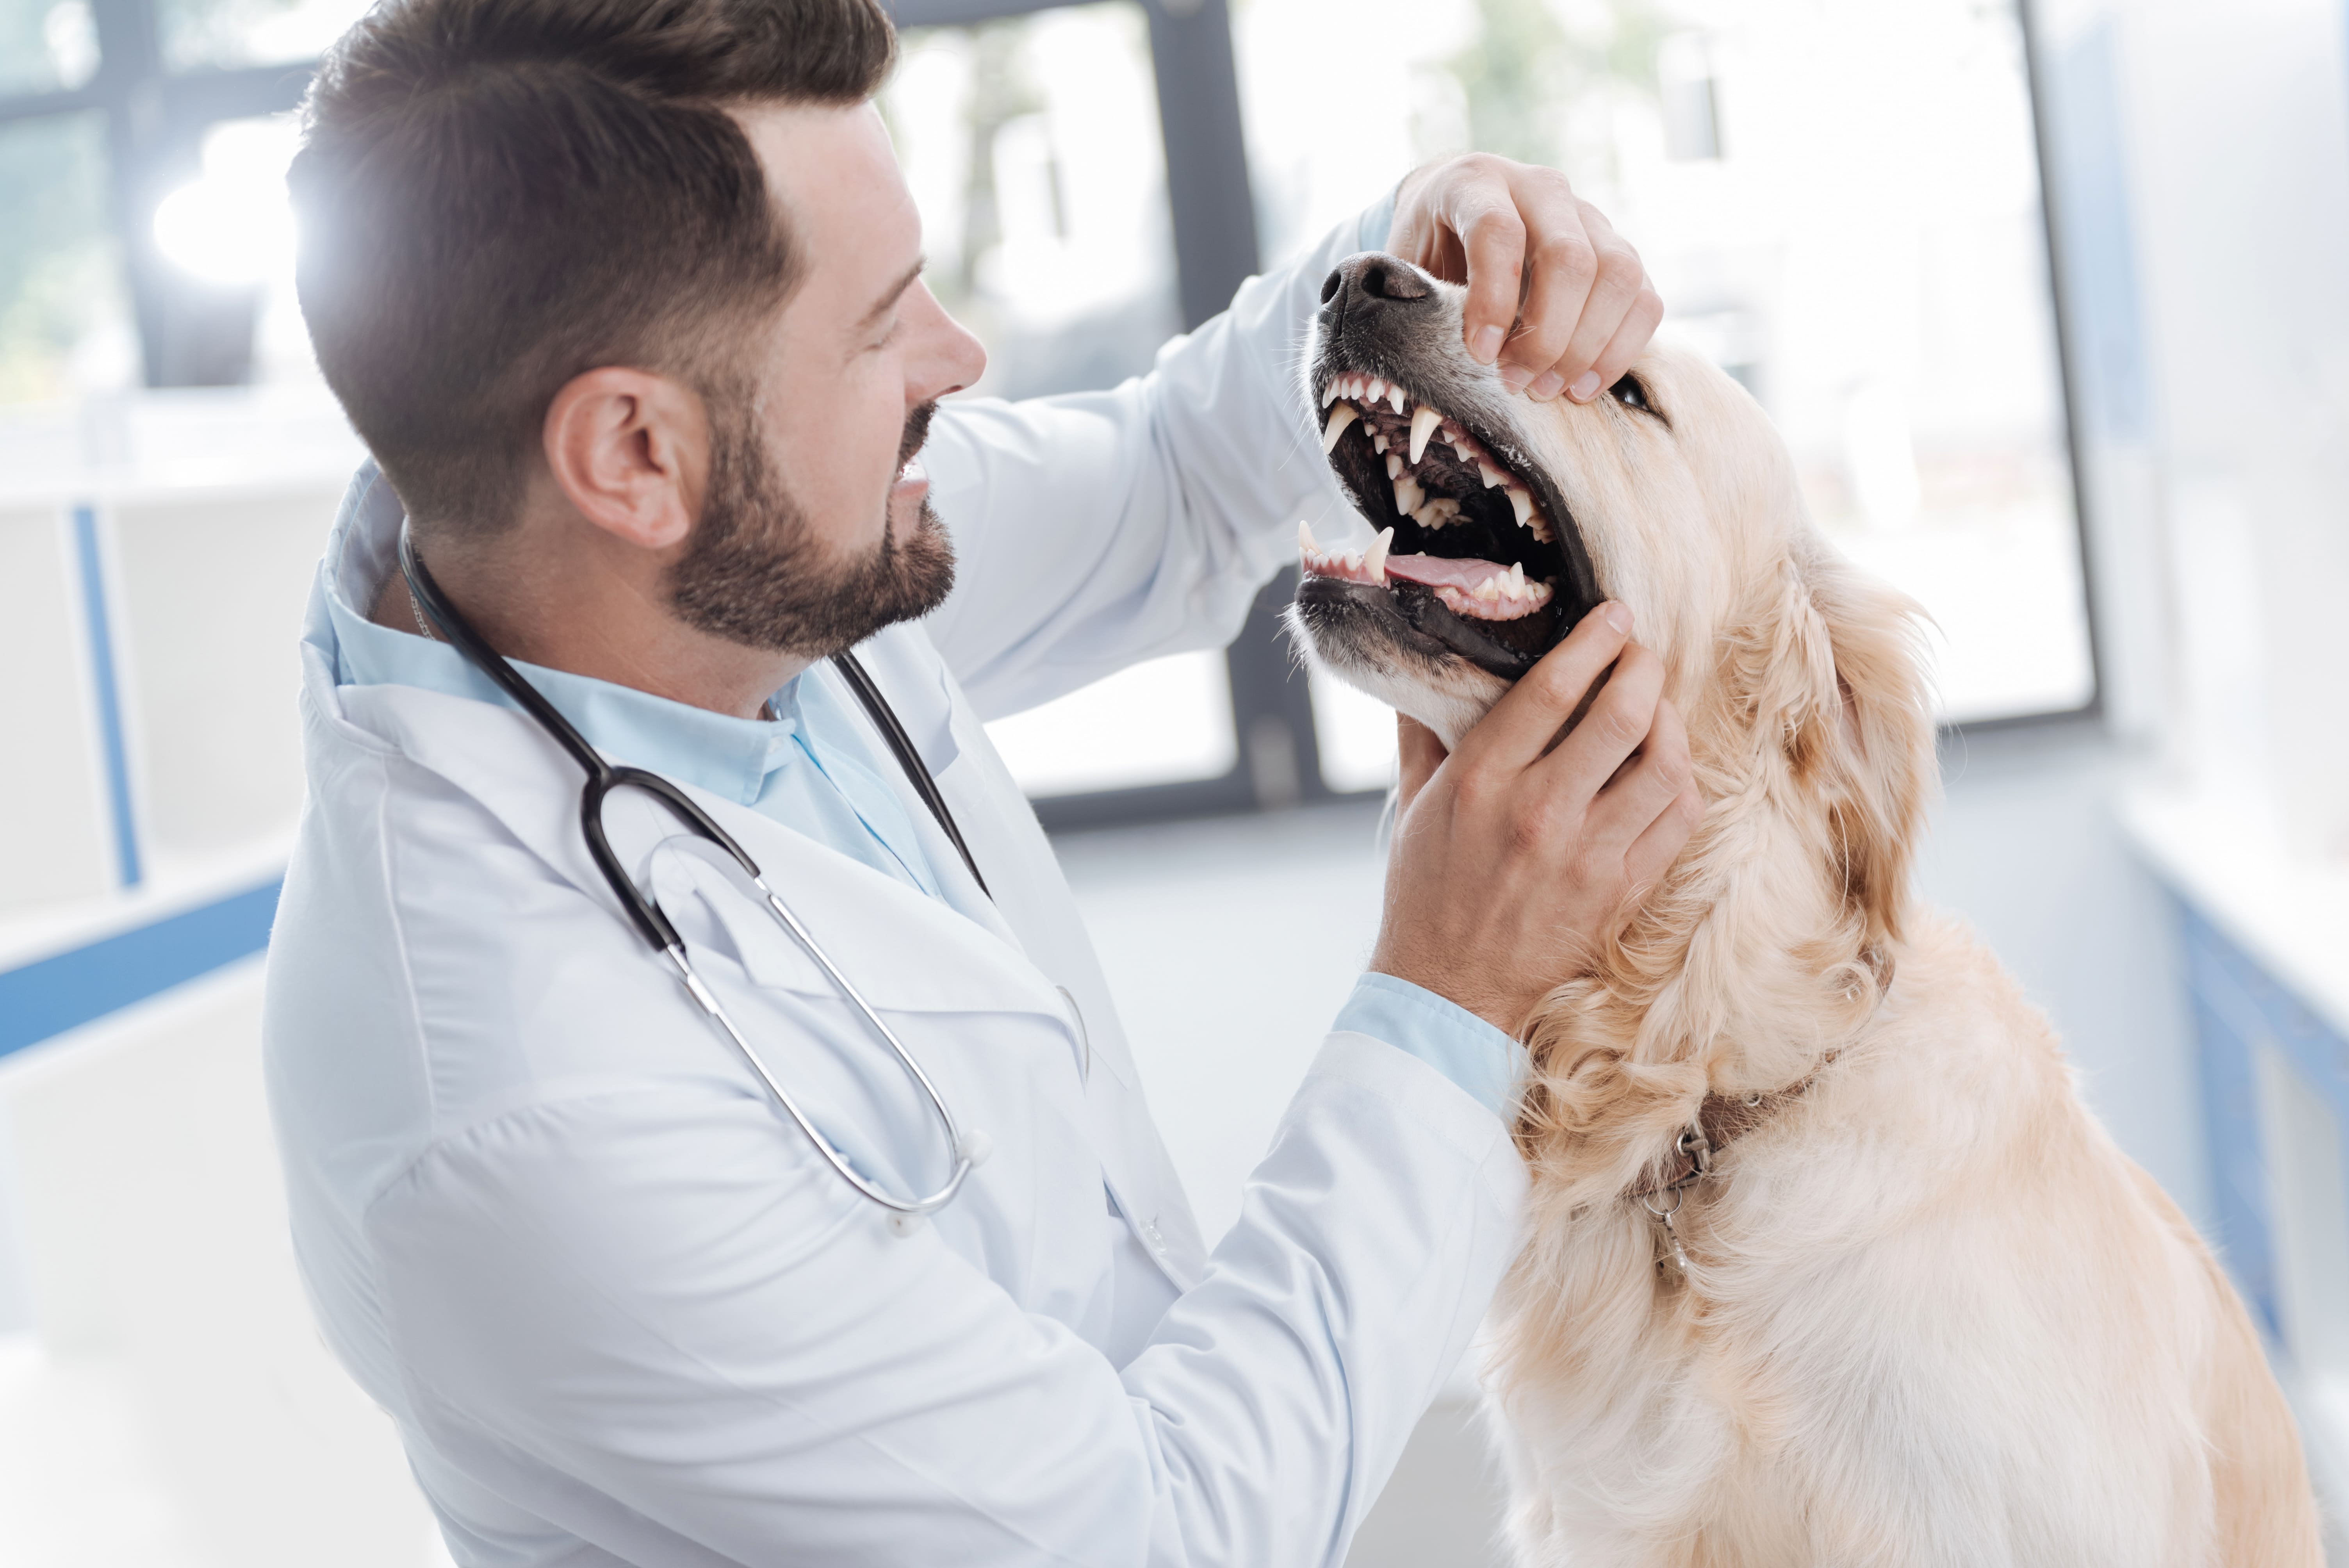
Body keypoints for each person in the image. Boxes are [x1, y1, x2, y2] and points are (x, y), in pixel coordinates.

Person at [261, 1, 1701, 1563]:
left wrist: (1418, 262)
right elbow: (1151, 1536)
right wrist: (1453, 995)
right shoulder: (527, 1104)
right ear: (632, 452)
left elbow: (1170, 478)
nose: (960, 356)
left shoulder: (679, 560)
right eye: (882, 326)